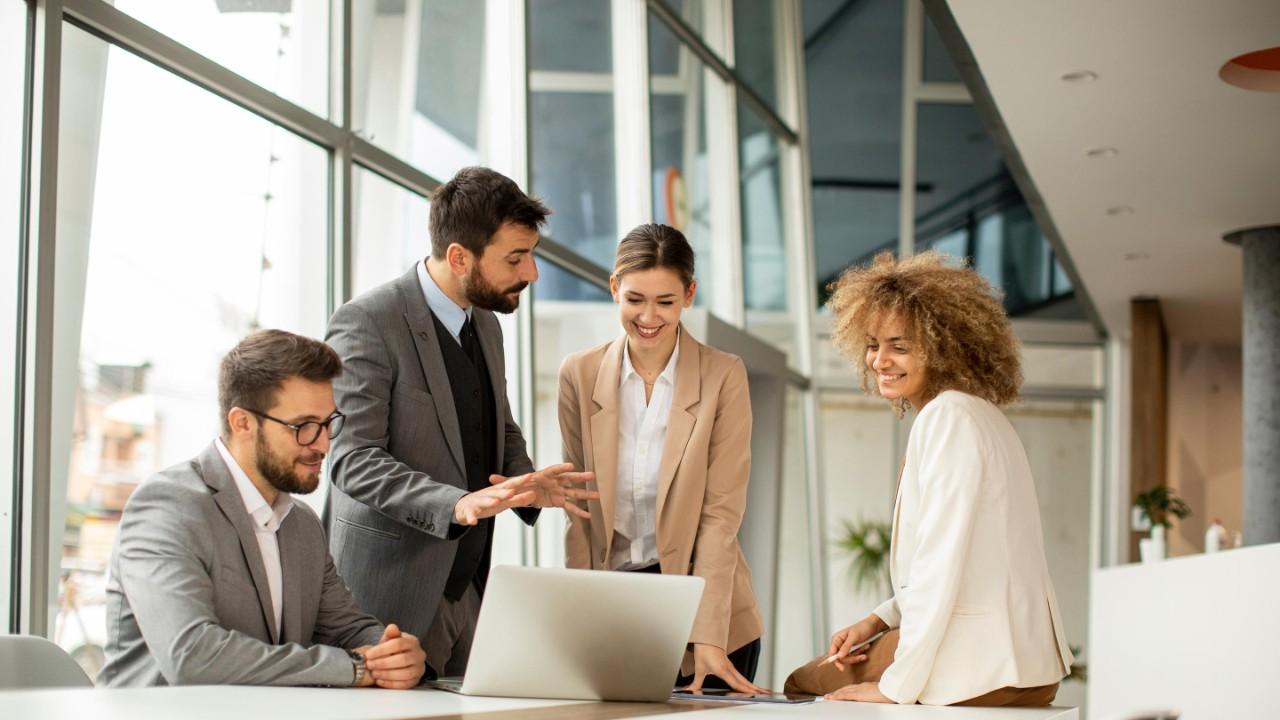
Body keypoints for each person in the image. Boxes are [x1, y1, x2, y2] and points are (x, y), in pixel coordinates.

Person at [325, 166, 597, 679]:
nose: (532, 273)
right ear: (458, 256)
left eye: (531, 255)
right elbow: (351, 459)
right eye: (516, 258)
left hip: (468, 589)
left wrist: (527, 479)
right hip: (386, 598)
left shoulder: (487, 324)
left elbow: (498, 420)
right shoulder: (368, 322)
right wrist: (457, 503)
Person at [785, 251, 1073, 706]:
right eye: (873, 344)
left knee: (803, 681)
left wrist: (894, 687)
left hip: (979, 668)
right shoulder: (981, 415)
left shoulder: (948, 418)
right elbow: (971, 560)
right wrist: (878, 621)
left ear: (944, 346)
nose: (880, 360)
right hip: (1028, 667)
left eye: (900, 346)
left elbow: (940, 563)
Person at [100, 329, 426, 688]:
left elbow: (347, 627)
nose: (321, 445)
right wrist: (354, 667)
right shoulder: (166, 507)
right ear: (242, 423)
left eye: (328, 423)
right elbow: (192, 656)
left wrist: (392, 652)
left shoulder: (301, 523)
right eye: (302, 426)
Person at [557, 223, 765, 694]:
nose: (648, 317)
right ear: (614, 288)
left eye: (665, 302)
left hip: (706, 613)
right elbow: (579, 508)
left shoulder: (723, 376)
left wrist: (707, 635)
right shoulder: (579, 373)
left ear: (689, 294)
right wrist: (576, 622)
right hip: (617, 607)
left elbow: (720, 516)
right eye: (635, 299)